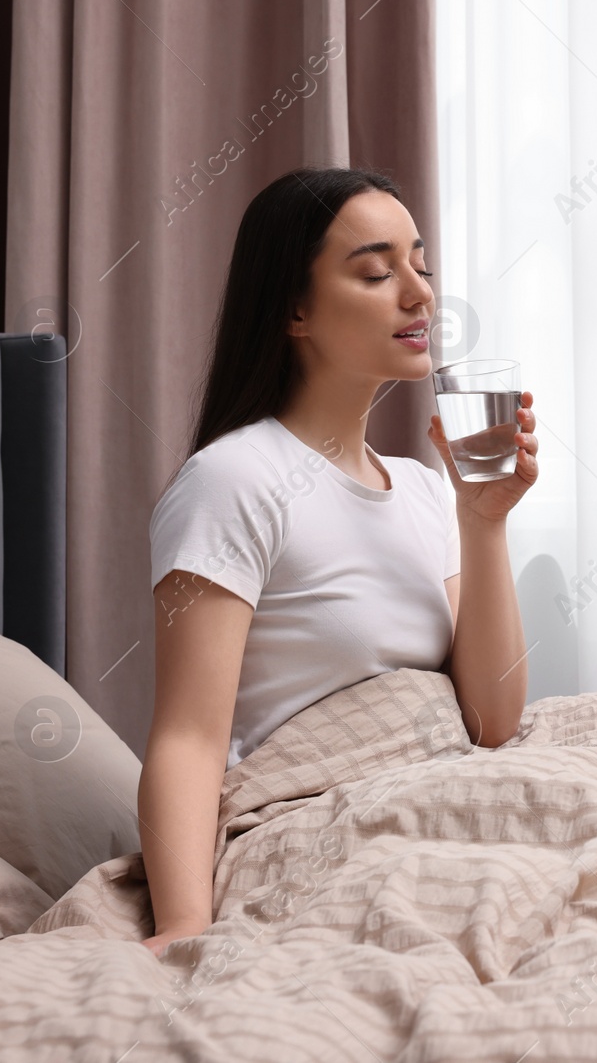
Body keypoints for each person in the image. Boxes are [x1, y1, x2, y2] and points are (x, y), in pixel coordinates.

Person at [137, 167, 538, 959]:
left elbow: (491, 724)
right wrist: (185, 924)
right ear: (294, 308)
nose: (421, 295)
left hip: (438, 800)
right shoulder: (233, 481)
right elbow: (187, 736)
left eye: (422, 266)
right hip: (323, 825)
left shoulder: (425, 490)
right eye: (378, 272)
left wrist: (482, 521)